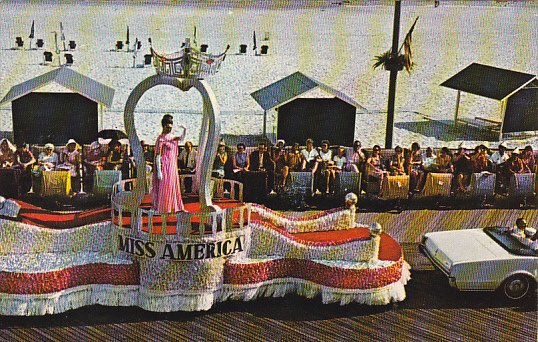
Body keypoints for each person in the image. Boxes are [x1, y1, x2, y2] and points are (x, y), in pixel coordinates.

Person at [152, 114, 186, 213]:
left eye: (171, 127)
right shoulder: (161, 139)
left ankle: (173, 206)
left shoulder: (172, 137)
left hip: (172, 165)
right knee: (165, 186)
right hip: (165, 165)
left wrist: (185, 129)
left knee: (172, 185)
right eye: (167, 127)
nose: (169, 129)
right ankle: (163, 207)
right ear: (163, 126)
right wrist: (159, 170)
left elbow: (181, 138)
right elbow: (158, 155)